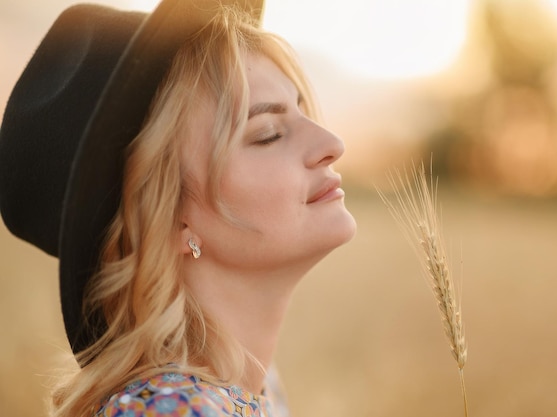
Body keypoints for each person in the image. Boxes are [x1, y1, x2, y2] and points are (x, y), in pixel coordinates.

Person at [0, 0, 357, 416]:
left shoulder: (254, 386)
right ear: (171, 220)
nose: (332, 145)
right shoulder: (176, 409)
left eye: (301, 111)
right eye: (268, 134)